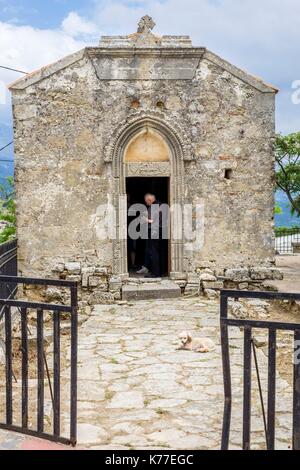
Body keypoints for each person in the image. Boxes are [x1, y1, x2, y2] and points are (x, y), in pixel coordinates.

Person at [137, 193, 162, 278]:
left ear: (149, 200)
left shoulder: (156, 206)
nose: (146, 203)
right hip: (155, 231)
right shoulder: (157, 205)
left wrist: (146, 220)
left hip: (155, 232)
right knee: (153, 252)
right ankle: (155, 272)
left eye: (146, 201)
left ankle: (156, 273)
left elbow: (156, 221)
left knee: (154, 252)